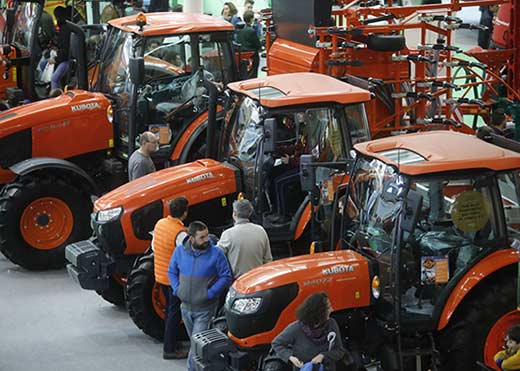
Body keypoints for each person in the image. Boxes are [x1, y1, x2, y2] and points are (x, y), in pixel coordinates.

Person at [168, 221, 232, 371]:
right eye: (202, 237)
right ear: (191, 238)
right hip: (185, 308)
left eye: (207, 236)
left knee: (196, 346)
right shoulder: (179, 252)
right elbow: (171, 271)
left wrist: (209, 293)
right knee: (196, 345)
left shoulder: (217, 254)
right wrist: (178, 289)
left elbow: (226, 276)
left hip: (205, 309)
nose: (207, 240)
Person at [153, 197, 189, 359]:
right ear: (185, 212)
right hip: (174, 280)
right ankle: (169, 349)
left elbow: (155, 246)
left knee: (169, 311)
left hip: (160, 275)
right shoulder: (180, 233)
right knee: (175, 314)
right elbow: (189, 255)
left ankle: (171, 341)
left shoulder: (160, 224)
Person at [272, 292, 345, 371]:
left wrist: (323, 356)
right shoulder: (296, 328)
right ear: (318, 312)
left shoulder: (332, 324)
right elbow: (277, 343)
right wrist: (290, 357)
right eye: (328, 308)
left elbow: (339, 350)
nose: (332, 310)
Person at [218, 199, 272, 278]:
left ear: (235, 214)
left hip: (238, 282)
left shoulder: (228, 234)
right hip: (258, 279)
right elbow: (268, 260)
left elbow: (217, 257)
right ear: (250, 213)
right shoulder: (261, 230)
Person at [49, 6, 72, 90]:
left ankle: (55, 96)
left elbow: (66, 52)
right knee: (43, 64)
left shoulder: (66, 29)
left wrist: (56, 59)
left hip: (68, 60)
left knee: (54, 79)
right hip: (62, 57)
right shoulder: (64, 27)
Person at [236, 10, 261, 78]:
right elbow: (257, 44)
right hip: (252, 55)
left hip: (242, 56)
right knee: (253, 74)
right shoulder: (251, 31)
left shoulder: (238, 30)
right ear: (251, 19)